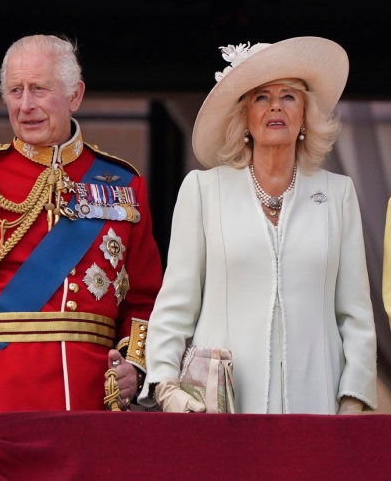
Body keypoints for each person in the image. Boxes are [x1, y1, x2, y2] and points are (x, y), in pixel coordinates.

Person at [0, 35, 163, 412]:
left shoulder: (125, 183)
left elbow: (145, 297)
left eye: (39, 89)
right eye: (15, 91)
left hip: (93, 396)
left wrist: (134, 365)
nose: (25, 105)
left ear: (74, 95)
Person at [145, 38, 376, 414]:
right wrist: (166, 386)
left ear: (304, 115)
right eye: (261, 97)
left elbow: (355, 314)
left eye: (288, 96)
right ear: (244, 117)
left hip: (317, 407)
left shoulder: (338, 194)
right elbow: (175, 304)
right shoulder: (204, 190)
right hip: (220, 409)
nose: (275, 107)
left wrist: (351, 401)